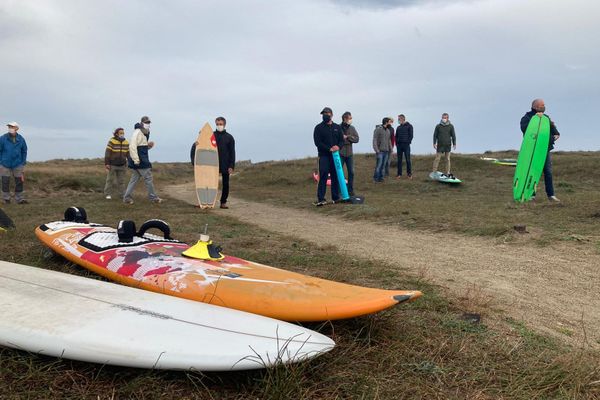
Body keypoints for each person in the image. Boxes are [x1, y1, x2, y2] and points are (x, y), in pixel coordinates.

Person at [520, 98, 561, 202]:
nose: (543, 107)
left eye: (544, 105)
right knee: (533, 172)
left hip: (544, 150)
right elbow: (526, 130)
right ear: (535, 107)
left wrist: (553, 137)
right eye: (541, 105)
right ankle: (530, 195)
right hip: (532, 151)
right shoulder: (527, 117)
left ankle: (551, 195)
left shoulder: (546, 118)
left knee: (548, 172)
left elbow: (555, 133)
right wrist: (536, 120)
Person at [123, 116, 162, 204]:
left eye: (149, 122)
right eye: (146, 122)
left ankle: (126, 198)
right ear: (142, 123)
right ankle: (153, 198)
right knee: (148, 178)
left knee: (134, 179)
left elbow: (141, 147)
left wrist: (148, 146)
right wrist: (136, 160)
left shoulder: (145, 133)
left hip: (140, 159)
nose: (148, 124)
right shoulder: (137, 132)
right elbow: (132, 147)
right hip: (139, 161)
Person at [313, 107, 344, 206]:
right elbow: (317, 142)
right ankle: (321, 198)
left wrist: (338, 147)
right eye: (323, 114)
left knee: (335, 176)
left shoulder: (337, 127)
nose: (325, 115)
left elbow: (341, 140)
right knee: (323, 176)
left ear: (331, 114)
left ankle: (336, 197)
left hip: (335, 156)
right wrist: (328, 149)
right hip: (324, 156)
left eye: (327, 113)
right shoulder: (318, 128)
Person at [0, 122, 28, 204]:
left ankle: (19, 199)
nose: (10, 128)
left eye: (12, 126)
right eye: (9, 126)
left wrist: (22, 162)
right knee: (5, 181)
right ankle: (6, 199)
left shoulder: (21, 139)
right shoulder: (2, 138)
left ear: (16, 128)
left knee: (19, 182)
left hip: (18, 164)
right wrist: (1, 161)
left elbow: (24, 151)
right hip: (5, 164)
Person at [213, 117, 236, 209]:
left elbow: (232, 152)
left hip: (225, 164)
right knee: (211, 183)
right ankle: (207, 201)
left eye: (220, 124)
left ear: (224, 125)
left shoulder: (229, 137)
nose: (219, 126)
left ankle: (223, 202)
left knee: (225, 184)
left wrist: (231, 166)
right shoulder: (211, 135)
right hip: (213, 164)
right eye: (217, 124)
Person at [103, 128, 129, 200]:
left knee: (121, 181)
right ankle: (107, 194)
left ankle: (122, 194)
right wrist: (107, 163)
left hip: (122, 165)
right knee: (110, 180)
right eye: (121, 133)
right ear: (117, 133)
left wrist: (129, 162)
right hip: (112, 164)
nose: (122, 134)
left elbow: (128, 154)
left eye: (123, 133)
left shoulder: (126, 142)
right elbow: (107, 152)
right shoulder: (112, 141)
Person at [340, 111, 359, 196]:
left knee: (351, 172)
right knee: (340, 173)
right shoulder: (338, 127)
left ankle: (350, 191)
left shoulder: (352, 128)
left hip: (349, 154)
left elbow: (357, 139)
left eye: (351, 118)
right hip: (340, 153)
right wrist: (342, 138)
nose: (351, 120)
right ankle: (340, 191)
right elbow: (336, 139)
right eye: (349, 118)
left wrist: (348, 137)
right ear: (345, 119)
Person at [372, 117, 393, 183]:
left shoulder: (388, 130)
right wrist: (377, 150)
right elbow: (374, 140)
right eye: (389, 122)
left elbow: (389, 140)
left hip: (386, 151)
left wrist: (391, 149)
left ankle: (381, 178)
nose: (390, 123)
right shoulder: (378, 129)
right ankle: (375, 179)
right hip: (380, 151)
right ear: (386, 122)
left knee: (383, 165)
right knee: (378, 165)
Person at [395, 114, 414, 179]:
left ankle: (409, 174)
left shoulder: (409, 126)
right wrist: (397, 144)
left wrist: (407, 142)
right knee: (399, 160)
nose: (398, 120)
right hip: (399, 146)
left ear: (402, 119)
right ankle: (399, 174)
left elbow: (411, 136)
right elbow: (396, 136)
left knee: (408, 160)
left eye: (399, 119)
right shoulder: (398, 127)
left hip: (406, 145)